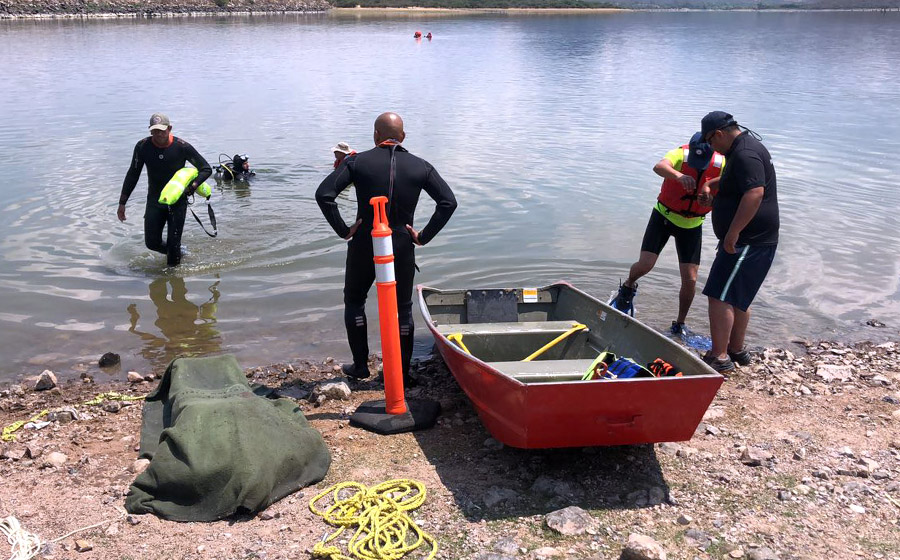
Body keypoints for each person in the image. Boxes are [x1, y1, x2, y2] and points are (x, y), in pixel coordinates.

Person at [315, 112, 457, 380]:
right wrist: (423, 236)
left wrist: (344, 230)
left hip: (365, 243)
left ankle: (360, 366)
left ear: (375, 135)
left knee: (355, 301)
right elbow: (448, 203)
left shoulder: (356, 162)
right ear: (402, 137)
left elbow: (324, 195)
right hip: (401, 244)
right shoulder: (421, 166)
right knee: (402, 307)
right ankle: (401, 373)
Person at [610, 132, 725, 335]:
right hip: (663, 216)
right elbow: (659, 167)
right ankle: (627, 287)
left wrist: (713, 202)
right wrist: (679, 175)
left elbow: (730, 193)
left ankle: (679, 325)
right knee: (645, 265)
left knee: (690, 280)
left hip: (692, 226)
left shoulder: (721, 163)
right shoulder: (681, 154)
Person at [697, 111, 779, 373]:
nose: (711, 148)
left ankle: (719, 357)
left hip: (748, 240)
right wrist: (711, 183)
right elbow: (739, 179)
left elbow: (755, 192)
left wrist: (732, 234)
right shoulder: (743, 149)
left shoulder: (745, 153)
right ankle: (736, 350)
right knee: (737, 297)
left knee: (718, 295)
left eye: (710, 142)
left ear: (718, 134)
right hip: (756, 239)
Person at [117, 113, 212, 267]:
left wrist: (192, 187)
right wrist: (122, 203)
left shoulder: (182, 147)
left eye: (162, 130)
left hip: (177, 202)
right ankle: (180, 253)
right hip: (154, 201)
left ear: (169, 128)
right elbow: (133, 174)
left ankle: (175, 280)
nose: (158, 134)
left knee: (173, 248)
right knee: (152, 243)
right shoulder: (142, 147)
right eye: (154, 131)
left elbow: (206, 168)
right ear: (150, 130)